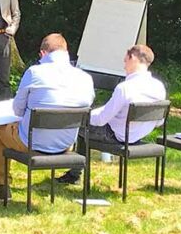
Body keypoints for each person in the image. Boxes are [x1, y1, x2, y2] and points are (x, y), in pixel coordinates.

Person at [0, 33, 94, 199]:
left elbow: (17, 110)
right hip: (65, 144)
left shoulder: (34, 73)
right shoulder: (85, 79)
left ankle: (1, 185)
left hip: (32, 143)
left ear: (43, 53)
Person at [56, 44, 166, 184]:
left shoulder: (125, 88)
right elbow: (159, 121)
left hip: (116, 136)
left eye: (125, 61)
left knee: (79, 126)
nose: (124, 65)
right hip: (137, 135)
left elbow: (102, 119)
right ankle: (74, 173)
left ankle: (74, 173)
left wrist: (84, 116)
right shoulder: (158, 87)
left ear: (132, 58)